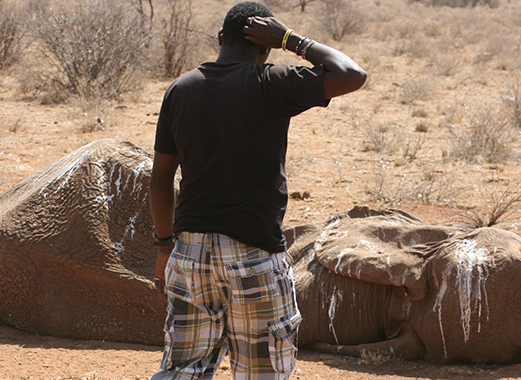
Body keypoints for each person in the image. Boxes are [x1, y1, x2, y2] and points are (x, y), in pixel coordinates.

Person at [148, 2, 366, 379]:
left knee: (182, 370)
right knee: (262, 372)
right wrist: (290, 39)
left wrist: (165, 247)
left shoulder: (180, 90)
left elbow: (161, 177)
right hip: (254, 253)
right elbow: (351, 73)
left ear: (220, 39)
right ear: (265, 46)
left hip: (190, 253)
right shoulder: (271, 84)